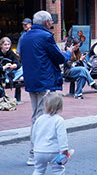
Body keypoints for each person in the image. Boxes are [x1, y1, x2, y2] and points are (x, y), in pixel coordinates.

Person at [21, 11, 74, 166]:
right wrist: (69, 52)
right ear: (45, 23)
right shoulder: (46, 37)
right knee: (41, 118)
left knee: (36, 115)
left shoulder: (25, 37)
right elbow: (58, 58)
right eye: (51, 21)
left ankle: (39, 152)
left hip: (31, 81)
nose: (52, 24)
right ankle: (35, 154)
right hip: (45, 81)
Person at [31, 93, 73, 175]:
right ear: (60, 107)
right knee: (58, 170)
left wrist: (34, 146)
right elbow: (62, 137)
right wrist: (64, 150)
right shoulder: (59, 120)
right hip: (53, 150)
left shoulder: (39, 119)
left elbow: (34, 134)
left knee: (39, 170)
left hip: (39, 150)